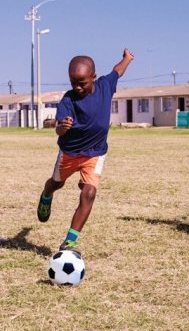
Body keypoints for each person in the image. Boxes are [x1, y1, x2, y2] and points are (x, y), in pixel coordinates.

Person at [36, 49, 134, 250]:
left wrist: (127, 59)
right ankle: (47, 194)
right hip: (70, 153)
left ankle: (70, 240)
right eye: (73, 83)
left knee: (89, 192)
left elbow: (117, 71)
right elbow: (58, 129)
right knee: (56, 184)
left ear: (93, 77)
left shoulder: (105, 86)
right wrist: (62, 128)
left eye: (82, 82)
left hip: (95, 153)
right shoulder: (68, 99)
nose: (77, 87)